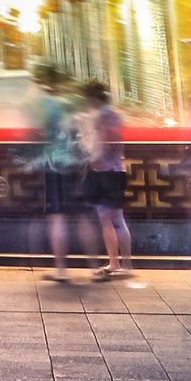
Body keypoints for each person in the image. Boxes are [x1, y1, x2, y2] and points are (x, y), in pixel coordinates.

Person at [25, 65, 87, 284]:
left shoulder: (46, 104)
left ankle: (61, 269)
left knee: (57, 216)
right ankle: (96, 264)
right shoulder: (72, 102)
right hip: (76, 163)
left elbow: (34, 130)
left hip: (54, 163)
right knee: (83, 216)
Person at [74, 80, 138, 282]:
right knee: (118, 219)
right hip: (118, 168)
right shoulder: (115, 114)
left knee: (106, 219)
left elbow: (101, 142)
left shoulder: (100, 116)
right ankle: (125, 264)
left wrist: (94, 162)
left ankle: (115, 263)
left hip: (104, 172)